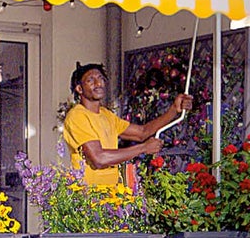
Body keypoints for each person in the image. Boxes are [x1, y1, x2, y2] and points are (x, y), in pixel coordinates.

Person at [62, 62, 192, 187]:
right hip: (89, 196)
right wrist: (143, 148)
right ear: (79, 88)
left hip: (111, 195)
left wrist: (174, 109)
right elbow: (99, 158)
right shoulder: (77, 116)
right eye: (90, 80)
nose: (98, 83)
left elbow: (142, 132)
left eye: (100, 78)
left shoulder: (106, 115)